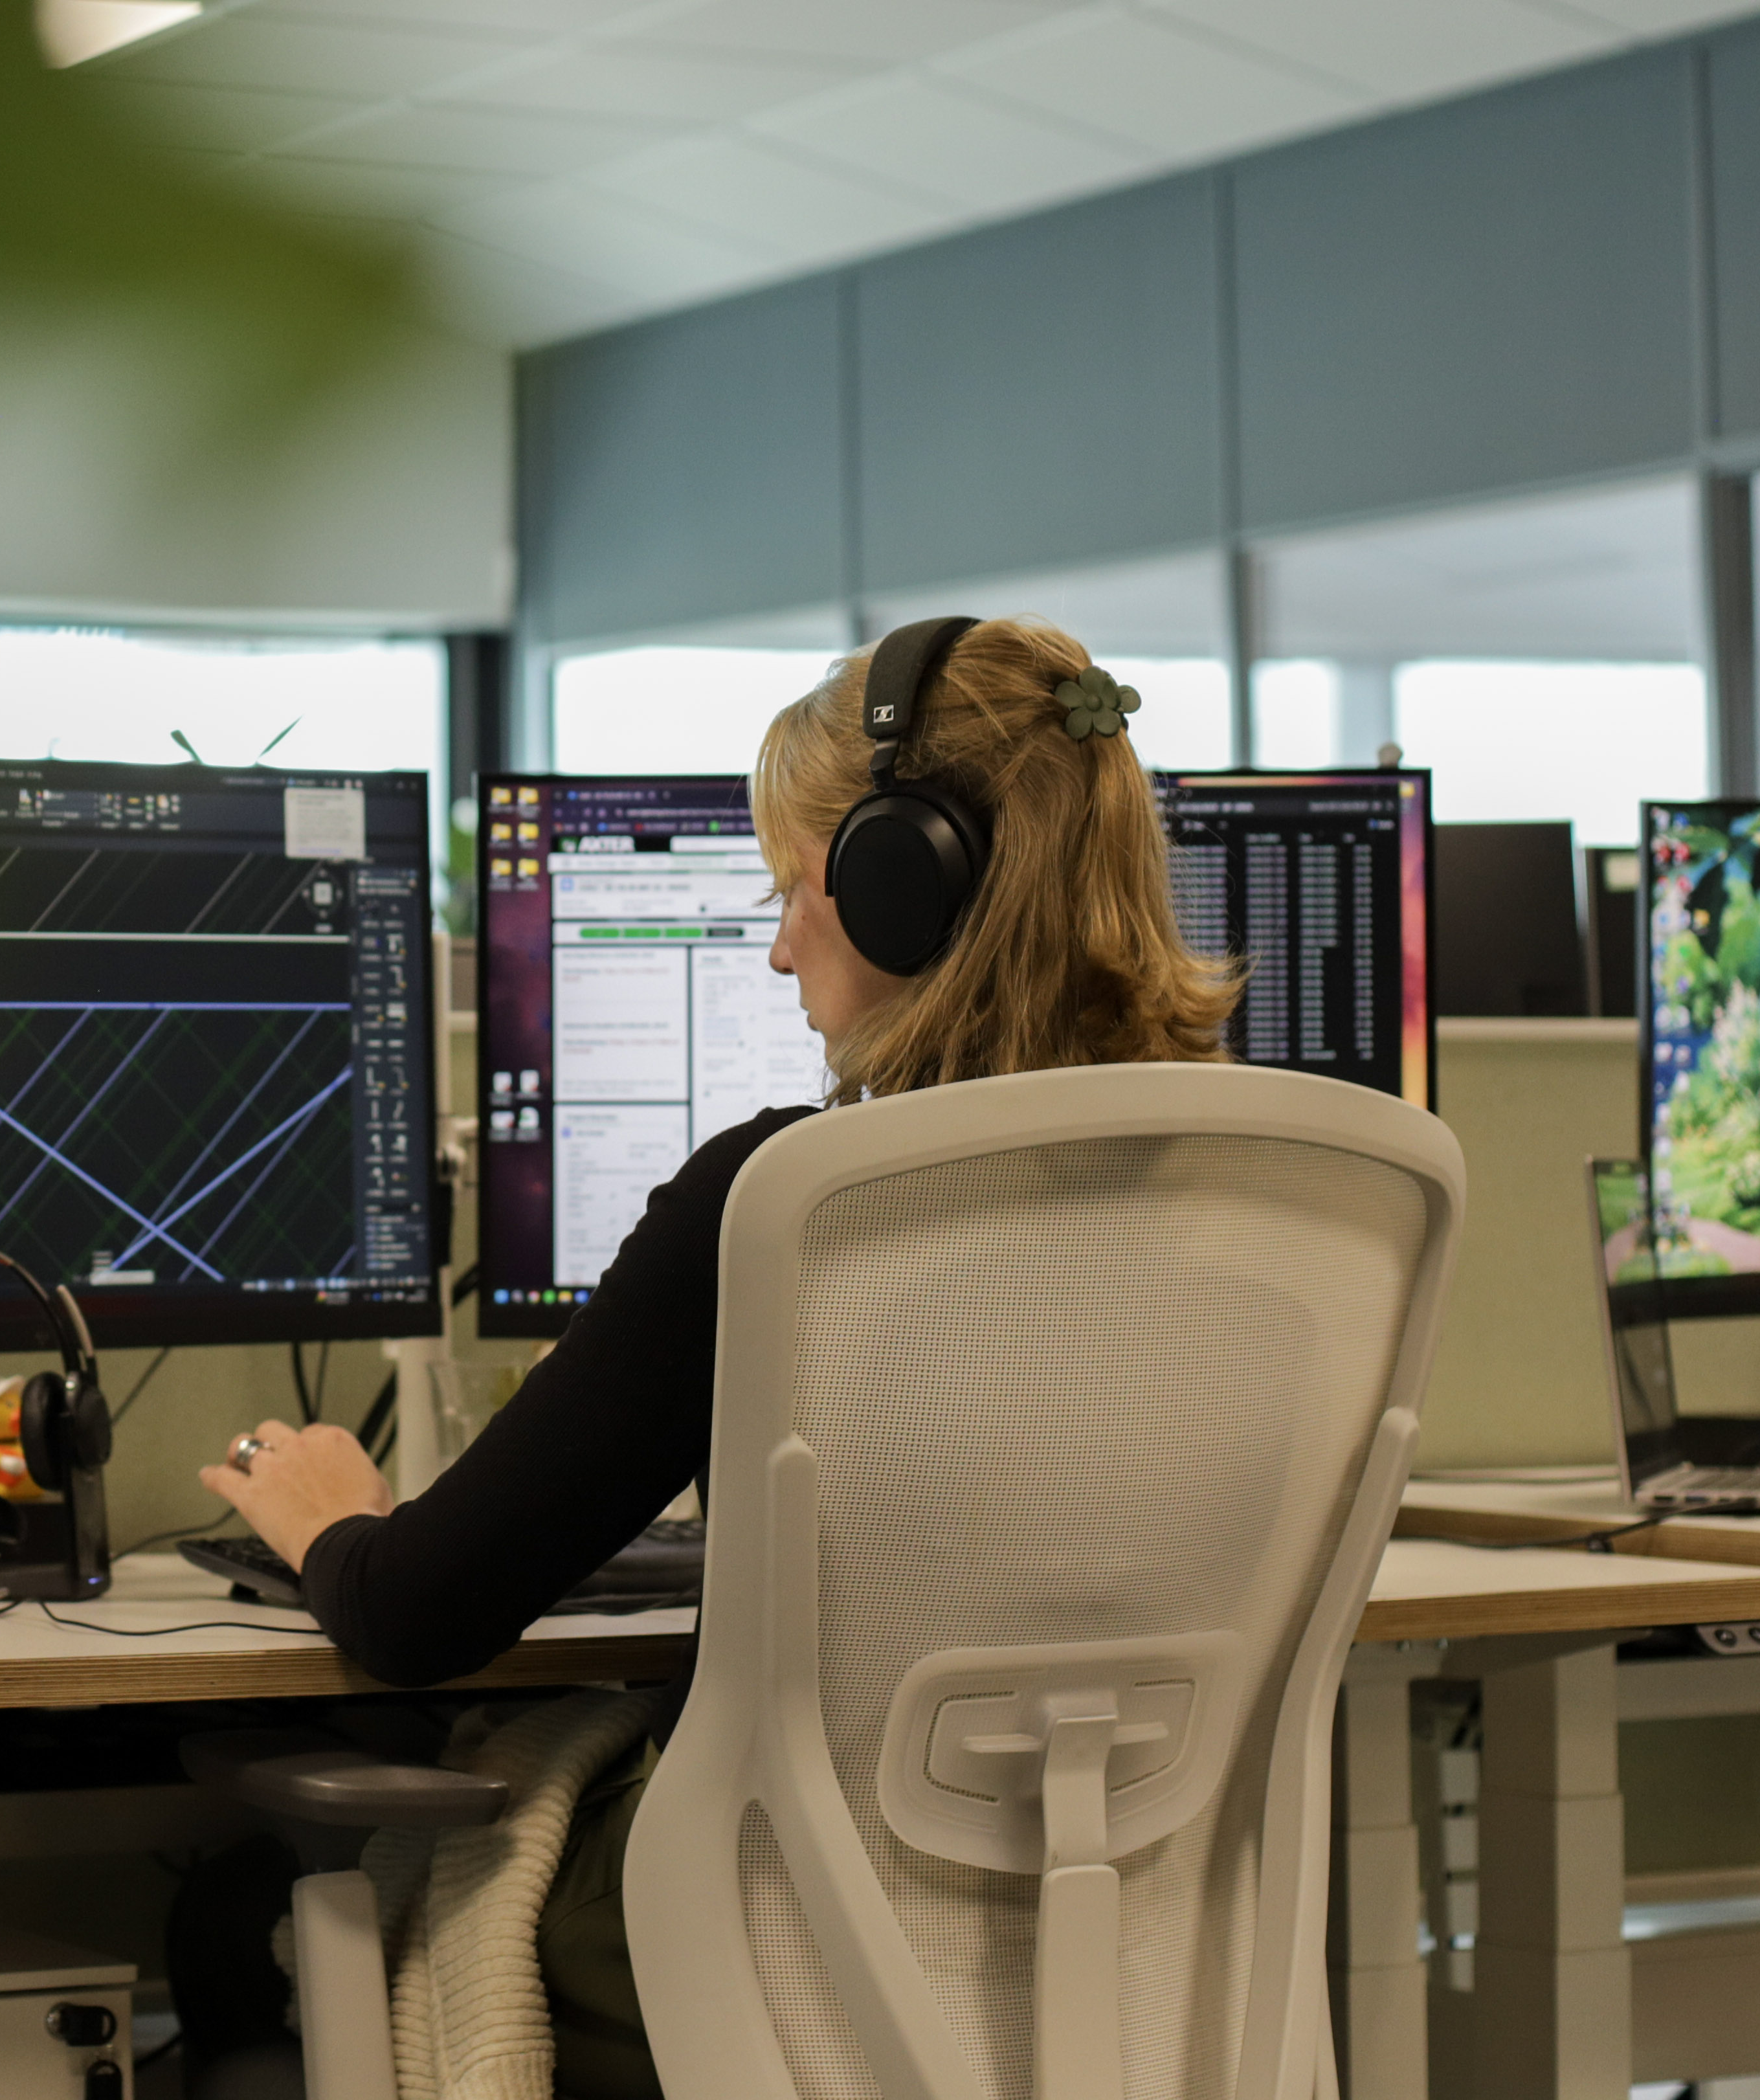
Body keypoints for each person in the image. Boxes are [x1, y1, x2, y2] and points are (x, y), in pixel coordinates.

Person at [181, 614, 1239, 2095]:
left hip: (776, 1969)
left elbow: (420, 1613)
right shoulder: (1248, 1204)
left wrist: (329, 1518)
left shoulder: (787, 1203)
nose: (779, 936)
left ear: (903, 886)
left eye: (799, 885)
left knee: (231, 1911)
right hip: (1128, 1976)